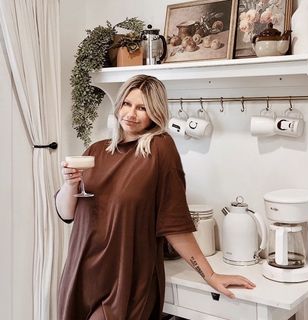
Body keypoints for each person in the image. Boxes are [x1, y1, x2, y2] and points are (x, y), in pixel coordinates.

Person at [55, 74, 255, 320]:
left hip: (126, 277)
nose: (131, 114)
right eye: (126, 104)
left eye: (142, 108)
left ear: (155, 113)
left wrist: (210, 275)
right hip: (81, 272)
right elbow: (67, 213)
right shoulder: (96, 150)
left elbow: (174, 223)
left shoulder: (159, 149)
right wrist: (69, 184)